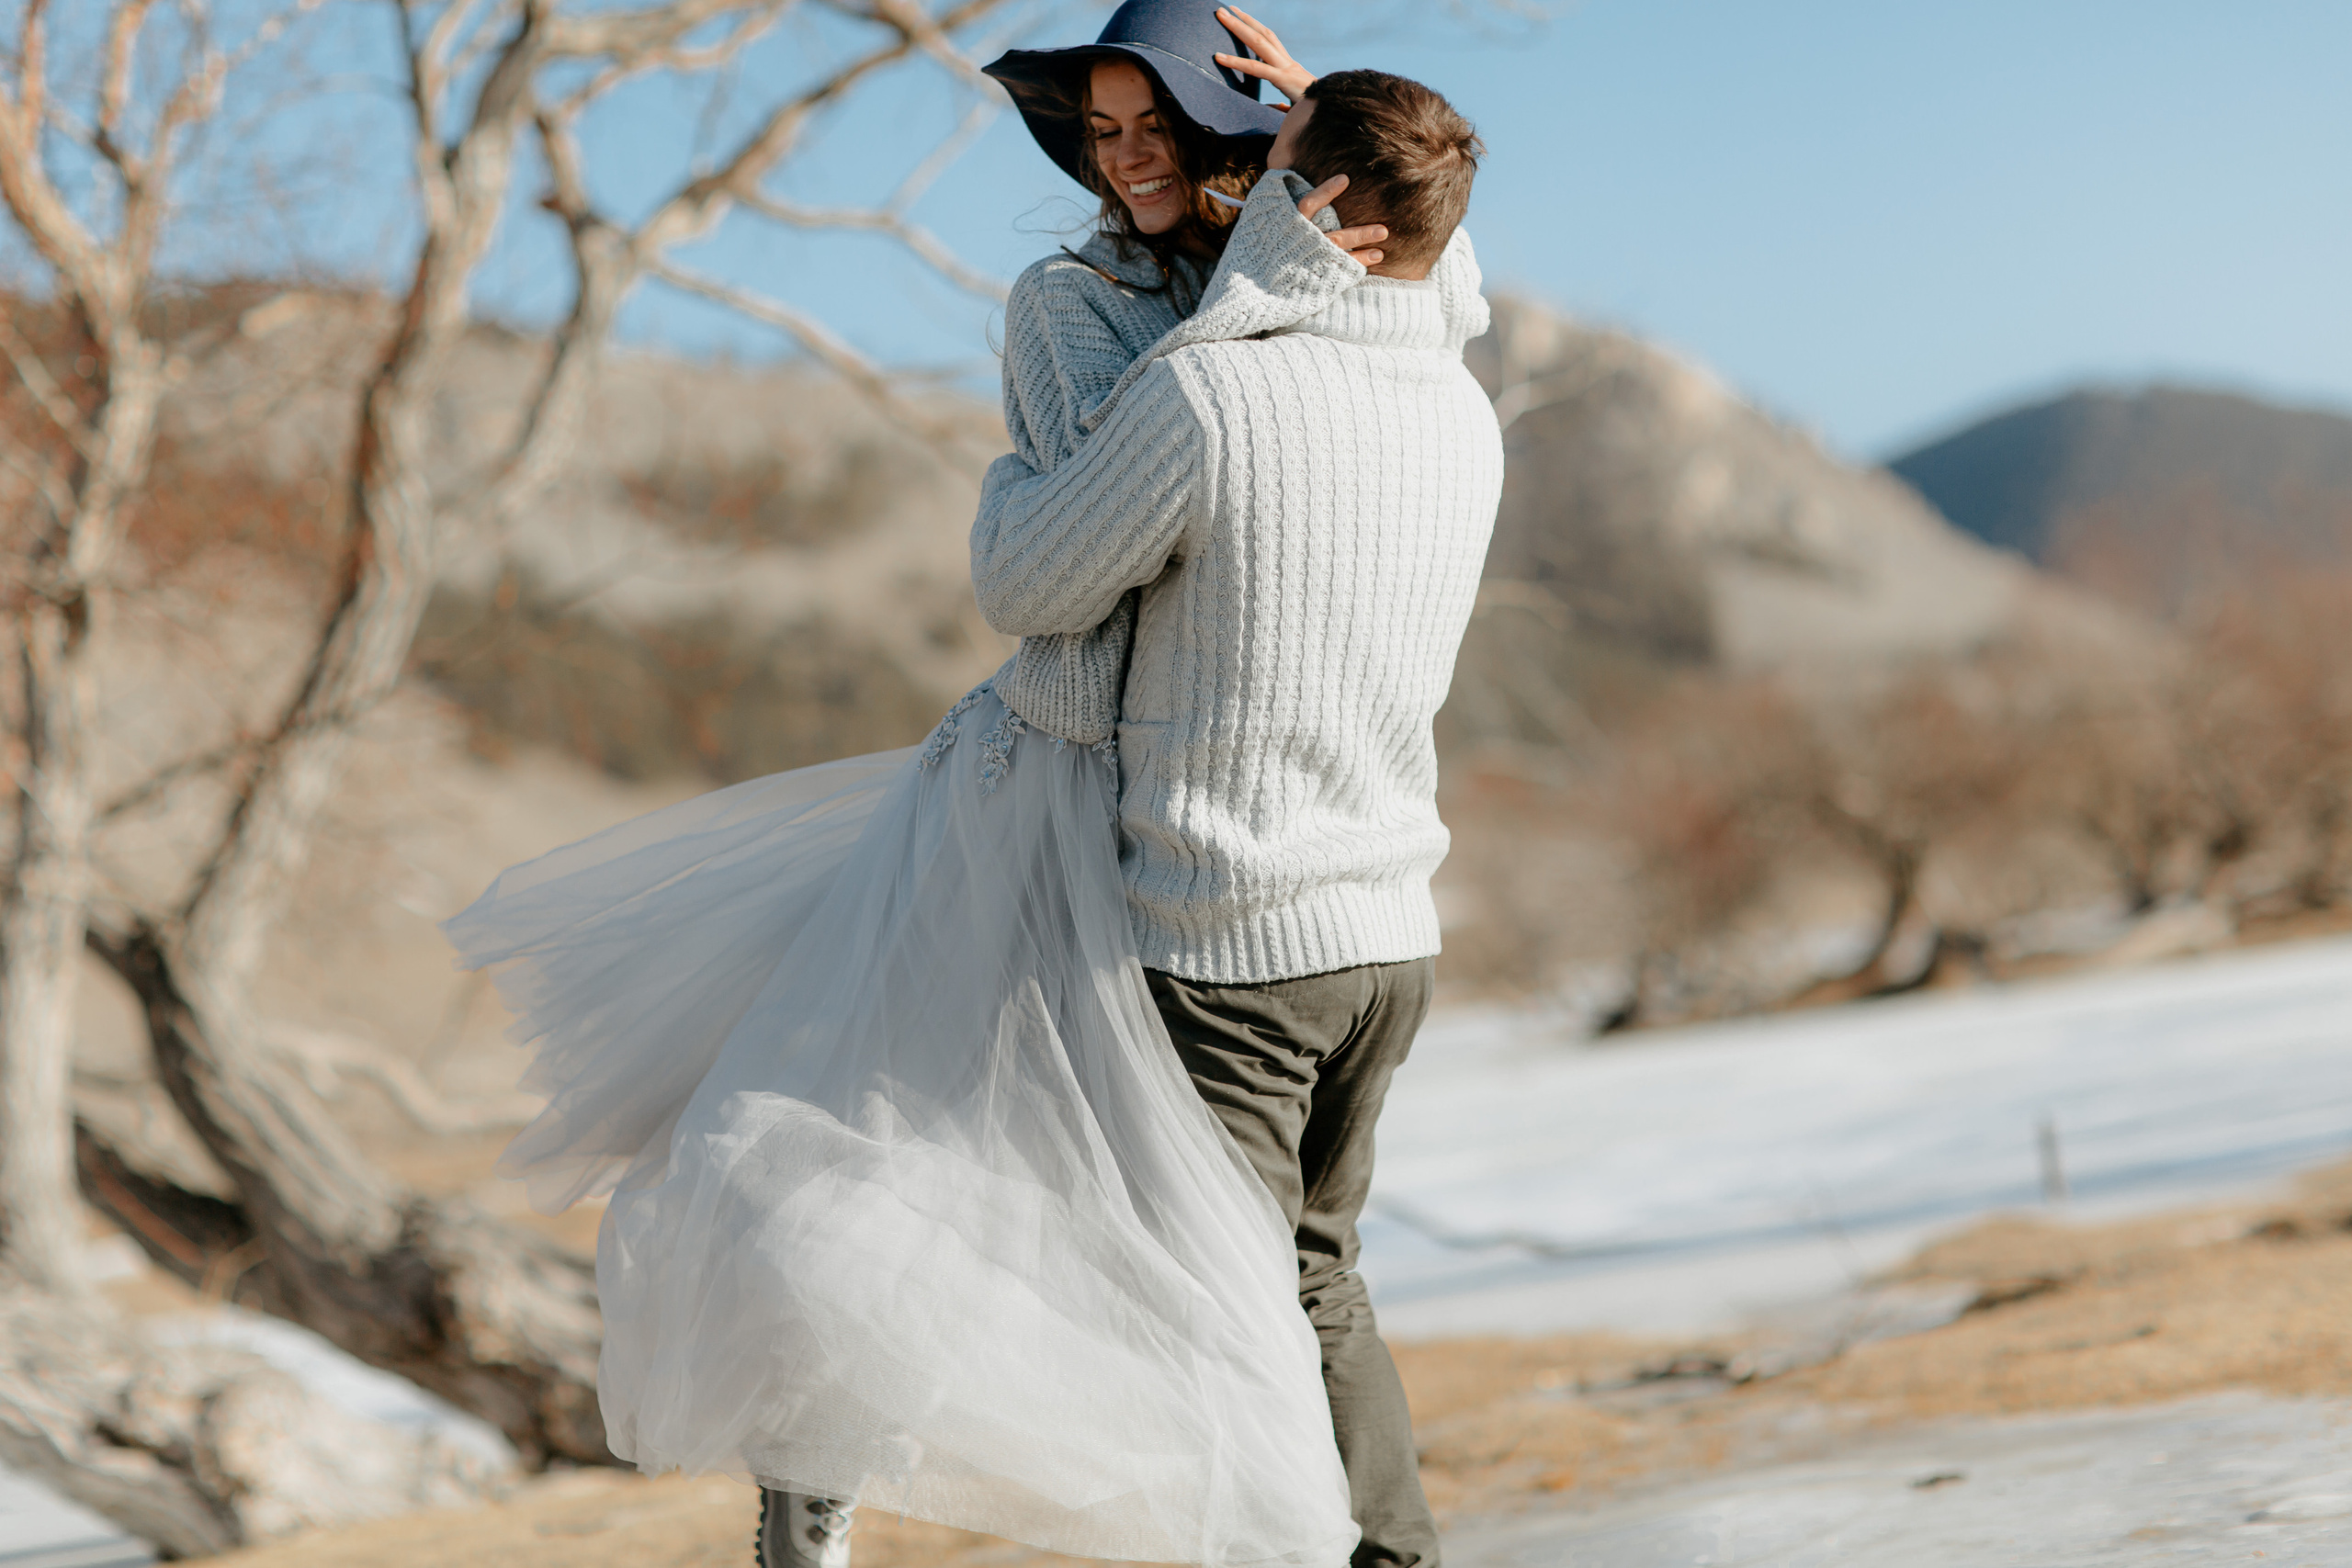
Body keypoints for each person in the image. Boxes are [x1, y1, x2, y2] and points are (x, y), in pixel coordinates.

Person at [441, 6, 1493, 1568]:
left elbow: (1040, 565)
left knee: (1179, 1275)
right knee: (870, 1142)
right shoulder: (1097, 308)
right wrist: (1328, 177)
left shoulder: (1259, 365)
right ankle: (813, 1492)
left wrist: (1282, 224)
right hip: (1088, 807)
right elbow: (1395, 308)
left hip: (1194, 872)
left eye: (1167, 125)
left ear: (1264, 168)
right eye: (1098, 124)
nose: (1123, 153)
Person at [969, 69, 1499, 1568]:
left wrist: (1021, 475)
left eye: (1267, 165)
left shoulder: (1213, 393)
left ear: (1310, 211)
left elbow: (1027, 582)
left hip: (1236, 941)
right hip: (1389, 935)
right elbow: (1418, 236)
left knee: (1221, 1334)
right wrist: (1333, 118)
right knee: (1314, 1285)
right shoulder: (1463, 410)